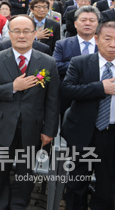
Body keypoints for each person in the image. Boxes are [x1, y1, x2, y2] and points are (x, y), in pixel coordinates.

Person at [0, 15, 59, 210]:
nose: (22, 35)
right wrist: (13, 87)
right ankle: (0, 203)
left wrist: (49, 130)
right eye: (16, 31)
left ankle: (19, 204)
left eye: (27, 31)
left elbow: (52, 100)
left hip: (33, 127)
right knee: (1, 168)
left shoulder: (48, 62)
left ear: (35, 34)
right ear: (9, 34)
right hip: (3, 125)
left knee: (26, 171)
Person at [61, 20, 115, 209]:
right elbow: (67, 90)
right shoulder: (80, 62)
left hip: (111, 133)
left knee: (107, 182)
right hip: (81, 131)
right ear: (97, 38)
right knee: (77, 180)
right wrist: (100, 88)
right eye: (107, 39)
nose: (113, 44)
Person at [54, 6, 99, 120]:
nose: (87, 23)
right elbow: (56, 66)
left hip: (99, 98)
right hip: (70, 98)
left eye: (92, 20)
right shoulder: (62, 44)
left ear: (98, 24)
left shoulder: (106, 45)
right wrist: (82, 64)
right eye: (83, 20)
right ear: (75, 24)